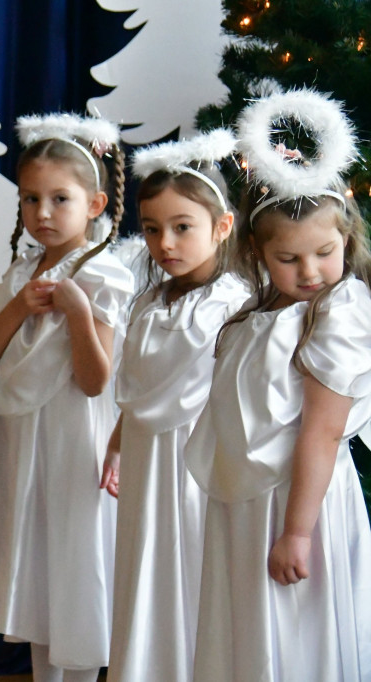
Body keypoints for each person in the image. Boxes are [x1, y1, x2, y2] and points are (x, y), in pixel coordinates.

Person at [185, 90, 371, 681]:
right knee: (250, 632)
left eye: (325, 252)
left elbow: (322, 431)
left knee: (296, 636)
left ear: (347, 241)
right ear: (258, 254)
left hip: (302, 501)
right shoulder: (255, 317)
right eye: (289, 259)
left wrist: (296, 532)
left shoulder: (339, 315)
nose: (310, 272)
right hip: (249, 502)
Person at [0, 113, 134, 682]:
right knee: (33, 581)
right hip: (21, 443)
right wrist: (21, 306)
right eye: (30, 199)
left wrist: (79, 312)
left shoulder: (105, 275)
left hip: (71, 441)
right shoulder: (17, 277)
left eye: (59, 198)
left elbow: (94, 380)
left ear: (95, 203)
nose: (42, 213)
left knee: (73, 570)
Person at [101, 130, 249, 682]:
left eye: (182, 227)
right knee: (148, 569)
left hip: (196, 466)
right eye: (154, 229)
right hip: (146, 461)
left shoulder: (231, 306)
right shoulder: (150, 301)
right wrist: (117, 443)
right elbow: (138, 386)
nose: (166, 243)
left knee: (191, 570)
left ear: (222, 226)